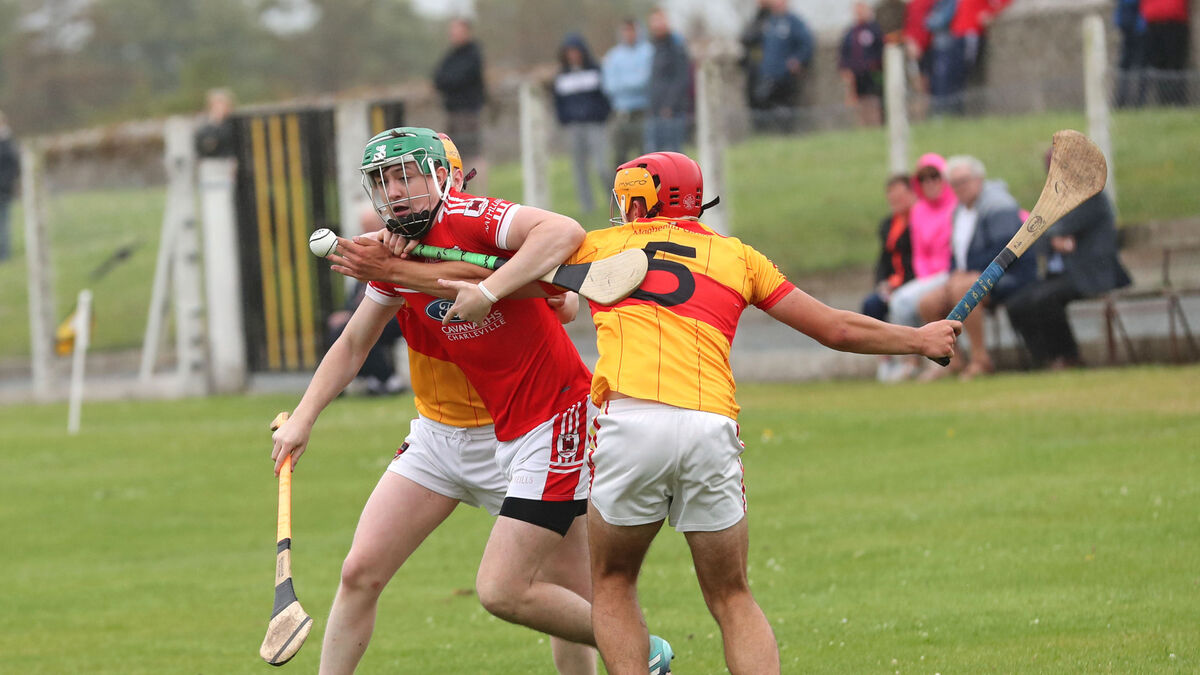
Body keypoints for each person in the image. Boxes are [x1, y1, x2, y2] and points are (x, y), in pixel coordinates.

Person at [565, 151, 961, 673]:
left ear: (641, 202)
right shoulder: (739, 257)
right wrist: (919, 339)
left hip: (631, 420)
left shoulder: (599, 247)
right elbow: (836, 328)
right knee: (732, 595)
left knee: (614, 581)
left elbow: (515, 272)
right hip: (709, 426)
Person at [272, 128, 597, 674]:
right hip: (438, 438)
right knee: (359, 572)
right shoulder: (388, 252)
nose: (395, 192)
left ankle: (634, 645)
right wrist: (304, 417)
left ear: (446, 177)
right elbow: (353, 342)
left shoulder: (476, 223)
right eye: (383, 182)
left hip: (531, 429)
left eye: (405, 176)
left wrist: (494, 289)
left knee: (562, 593)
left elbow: (561, 278)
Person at [1005, 151, 1131, 369]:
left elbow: (1050, 228)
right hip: (1059, 276)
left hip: (1089, 273)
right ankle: (1044, 359)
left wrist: (1052, 234)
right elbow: (1038, 235)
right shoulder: (1055, 200)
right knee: (1017, 303)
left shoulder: (1091, 196)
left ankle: (1069, 357)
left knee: (1045, 299)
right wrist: (1054, 238)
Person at [918, 155, 1034, 379]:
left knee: (965, 290)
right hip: (967, 276)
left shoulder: (998, 205)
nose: (959, 187)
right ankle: (952, 360)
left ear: (979, 179)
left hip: (1007, 277)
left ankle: (981, 359)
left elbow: (1005, 250)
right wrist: (955, 272)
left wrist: (970, 271)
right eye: (954, 183)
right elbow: (956, 254)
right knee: (928, 302)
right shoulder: (959, 211)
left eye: (964, 181)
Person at [323, 205, 408, 396]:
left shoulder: (395, 247)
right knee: (339, 327)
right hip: (369, 310)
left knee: (362, 328)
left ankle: (387, 379)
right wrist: (347, 312)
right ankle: (352, 382)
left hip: (396, 313)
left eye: (371, 226)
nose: (367, 231)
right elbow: (356, 295)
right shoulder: (364, 255)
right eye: (364, 227)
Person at [887, 153, 956, 332]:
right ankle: (911, 348)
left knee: (901, 301)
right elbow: (919, 253)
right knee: (897, 301)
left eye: (935, 176)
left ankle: (911, 349)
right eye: (923, 179)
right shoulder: (919, 211)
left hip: (951, 272)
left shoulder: (956, 207)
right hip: (928, 276)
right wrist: (925, 278)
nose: (929, 182)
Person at [862, 174, 918, 381]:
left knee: (900, 303)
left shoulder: (919, 220)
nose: (895, 201)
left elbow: (918, 259)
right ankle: (884, 360)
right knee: (871, 304)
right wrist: (882, 284)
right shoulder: (888, 224)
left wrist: (898, 284)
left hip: (913, 281)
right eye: (892, 197)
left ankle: (911, 362)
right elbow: (883, 260)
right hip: (893, 283)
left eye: (900, 196)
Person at [553, 33, 612, 214]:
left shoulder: (595, 70)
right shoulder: (562, 76)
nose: (573, 55)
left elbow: (605, 96)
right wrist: (565, 119)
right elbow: (558, 103)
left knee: (601, 166)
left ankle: (614, 200)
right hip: (574, 127)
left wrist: (601, 115)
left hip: (595, 124)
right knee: (579, 168)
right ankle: (587, 207)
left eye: (575, 51)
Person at [433, 18, 487, 189]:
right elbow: (438, 78)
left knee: (473, 155)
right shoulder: (451, 56)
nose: (453, 35)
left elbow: (460, 78)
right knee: (452, 156)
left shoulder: (473, 54)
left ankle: (480, 195)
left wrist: (451, 81)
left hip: (468, 113)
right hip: (453, 113)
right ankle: (459, 193)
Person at [749, 0, 814, 132]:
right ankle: (768, 134)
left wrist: (798, 60)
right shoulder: (767, 21)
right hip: (767, 74)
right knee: (761, 101)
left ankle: (787, 134)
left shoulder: (794, 22)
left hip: (785, 75)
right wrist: (760, 10)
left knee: (786, 108)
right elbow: (749, 38)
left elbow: (807, 44)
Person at [602, 18, 654, 166]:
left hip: (642, 112)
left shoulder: (648, 52)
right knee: (619, 158)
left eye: (632, 30)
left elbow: (646, 81)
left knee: (645, 157)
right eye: (626, 31)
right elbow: (610, 86)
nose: (629, 34)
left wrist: (623, 82)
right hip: (620, 113)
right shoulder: (614, 55)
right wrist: (634, 80)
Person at [645, 8, 691, 153]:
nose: (657, 25)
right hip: (654, 110)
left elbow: (681, 78)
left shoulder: (676, 46)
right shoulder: (652, 47)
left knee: (673, 154)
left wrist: (670, 105)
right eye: (654, 22)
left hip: (672, 112)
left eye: (659, 21)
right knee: (653, 155)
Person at [839, 2, 885, 127]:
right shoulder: (850, 32)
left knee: (873, 102)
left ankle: (875, 126)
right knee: (859, 105)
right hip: (856, 76)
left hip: (872, 75)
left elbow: (881, 51)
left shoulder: (875, 30)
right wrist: (846, 70)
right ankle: (862, 127)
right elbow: (844, 54)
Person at [1140, 0, 1190, 105]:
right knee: (1158, 64)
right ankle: (1163, 100)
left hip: (1174, 22)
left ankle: (1177, 100)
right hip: (1153, 22)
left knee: (1175, 63)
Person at [1114, 0, 1148, 108]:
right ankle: (1123, 100)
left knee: (1138, 66)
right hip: (1130, 29)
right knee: (1127, 66)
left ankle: (1139, 100)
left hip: (1138, 30)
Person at [193, 88, 236, 159]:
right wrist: (214, 123)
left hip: (228, 159)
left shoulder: (232, 122)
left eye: (222, 104)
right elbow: (204, 145)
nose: (219, 108)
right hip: (211, 161)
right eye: (216, 105)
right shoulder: (204, 124)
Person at [0, 111, 18, 263]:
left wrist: (4, 185)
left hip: (3, 190)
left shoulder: (8, 143)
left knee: (3, 223)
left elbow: (13, 168)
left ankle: (4, 255)